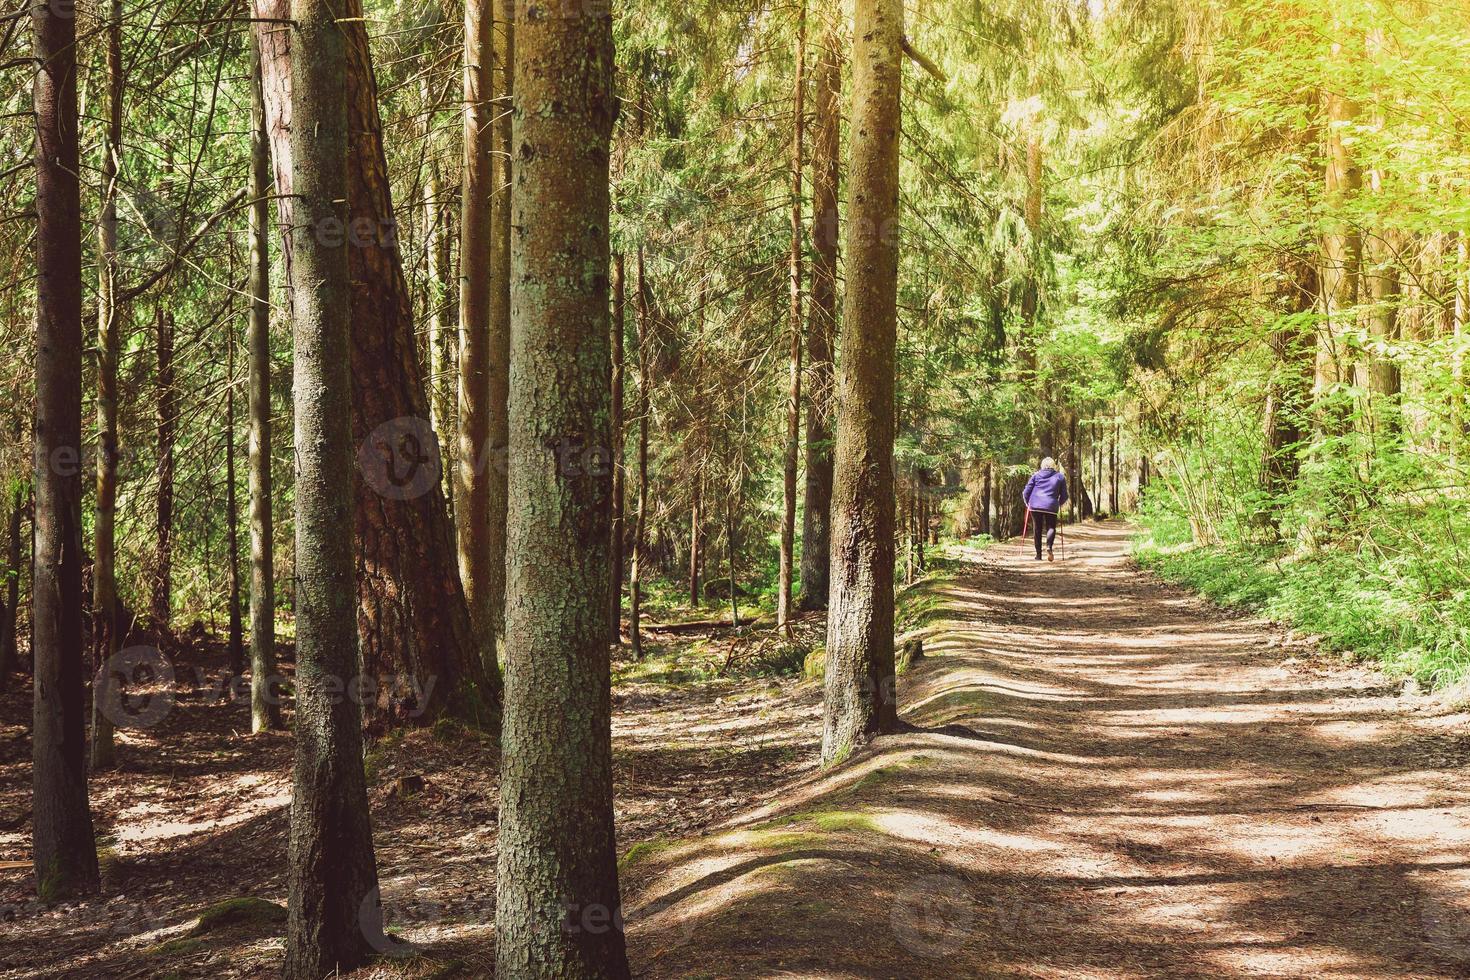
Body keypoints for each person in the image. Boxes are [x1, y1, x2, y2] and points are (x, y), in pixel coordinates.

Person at [1022, 457, 1068, 562]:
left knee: (1037, 529)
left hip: (1035, 505)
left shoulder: (1036, 475)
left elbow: (1026, 492)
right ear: (1053, 466)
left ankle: (1038, 555)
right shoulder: (1060, 477)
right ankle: (1049, 547)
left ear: (1042, 465)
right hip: (1051, 505)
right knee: (1051, 527)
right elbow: (1065, 495)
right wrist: (1057, 503)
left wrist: (1028, 503)